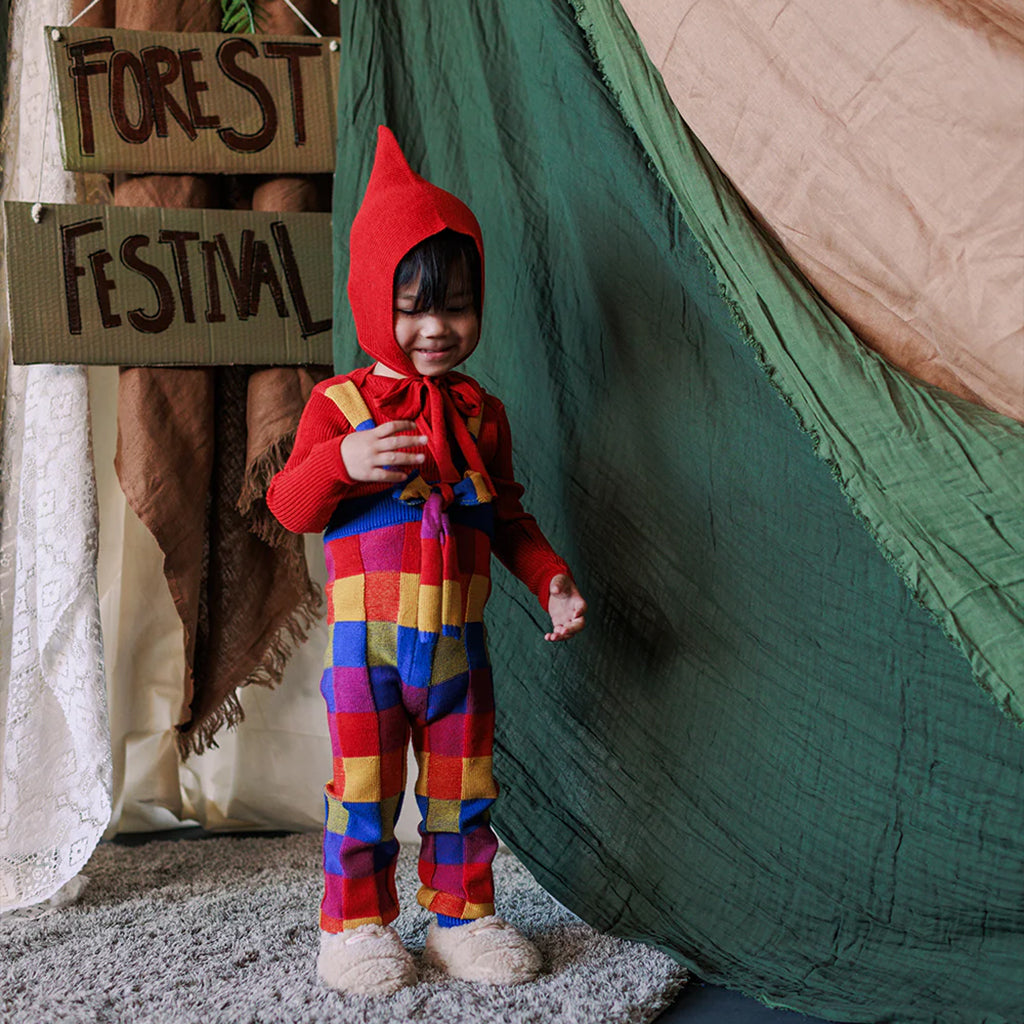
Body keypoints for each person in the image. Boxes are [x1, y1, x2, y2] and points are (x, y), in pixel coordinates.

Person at [267, 126, 586, 996]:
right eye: (412, 306)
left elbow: (508, 518)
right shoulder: (339, 405)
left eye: (456, 306)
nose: (436, 329)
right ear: (374, 298)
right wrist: (343, 465)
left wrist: (549, 578)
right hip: (366, 652)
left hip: (456, 648)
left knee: (462, 789)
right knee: (363, 793)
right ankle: (356, 925)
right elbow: (287, 504)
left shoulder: (483, 414)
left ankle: (462, 916)